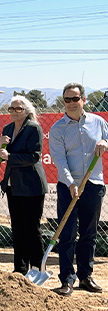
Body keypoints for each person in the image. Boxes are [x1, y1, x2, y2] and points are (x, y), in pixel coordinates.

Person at [49, 82, 108, 296]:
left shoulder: (98, 122)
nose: (71, 103)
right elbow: (59, 159)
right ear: (63, 102)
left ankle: (85, 276)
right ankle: (67, 279)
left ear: (83, 99)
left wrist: (104, 141)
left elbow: (107, 139)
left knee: (88, 233)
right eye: (67, 99)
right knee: (67, 233)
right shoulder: (57, 129)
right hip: (68, 186)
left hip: (93, 184)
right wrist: (71, 183)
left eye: (75, 98)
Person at [0, 96, 48, 275]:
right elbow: (0, 153)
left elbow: (34, 156)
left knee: (31, 228)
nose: (13, 112)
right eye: (11, 108)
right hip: (13, 185)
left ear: (26, 111)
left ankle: (38, 267)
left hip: (31, 185)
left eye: (18, 109)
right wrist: (0, 149)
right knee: (17, 228)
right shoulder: (7, 128)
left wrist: (9, 156)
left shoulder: (33, 128)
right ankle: (20, 268)